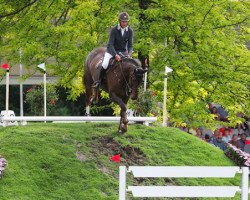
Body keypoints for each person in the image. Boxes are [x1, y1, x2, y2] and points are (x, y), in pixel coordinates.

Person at [92, 11, 134, 89]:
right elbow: (110, 44)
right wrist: (115, 55)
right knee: (104, 64)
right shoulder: (114, 30)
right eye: (123, 21)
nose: (125, 23)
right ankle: (98, 82)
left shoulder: (130, 31)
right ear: (119, 21)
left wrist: (129, 54)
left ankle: (129, 85)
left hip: (123, 52)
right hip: (112, 51)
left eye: (126, 22)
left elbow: (130, 45)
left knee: (130, 66)